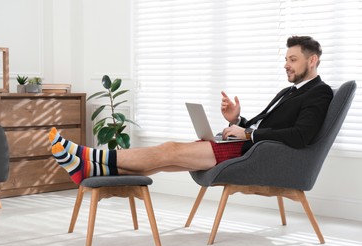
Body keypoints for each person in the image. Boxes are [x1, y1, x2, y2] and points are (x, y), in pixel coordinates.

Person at [49, 35, 333, 185]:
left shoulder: (319, 92)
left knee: (169, 149)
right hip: (242, 145)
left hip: (249, 153)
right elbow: (268, 128)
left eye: (293, 59)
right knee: (160, 163)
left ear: (313, 61)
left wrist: (247, 135)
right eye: (286, 58)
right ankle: (87, 171)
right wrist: (238, 120)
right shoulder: (290, 91)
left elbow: (302, 135)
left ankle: (88, 155)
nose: (286, 64)